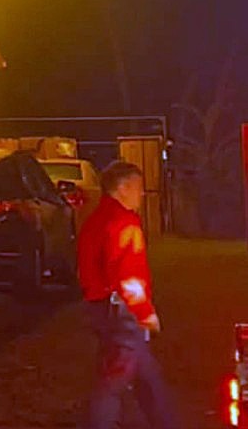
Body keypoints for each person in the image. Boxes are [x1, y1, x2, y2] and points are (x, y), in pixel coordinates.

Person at [77, 160, 178, 429]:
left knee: (148, 376)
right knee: (114, 380)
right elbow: (129, 277)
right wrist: (145, 314)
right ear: (122, 188)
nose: (141, 194)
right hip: (122, 311)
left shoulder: (94, 220)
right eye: (137, 187)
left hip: (99, 307)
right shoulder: (124, 224)